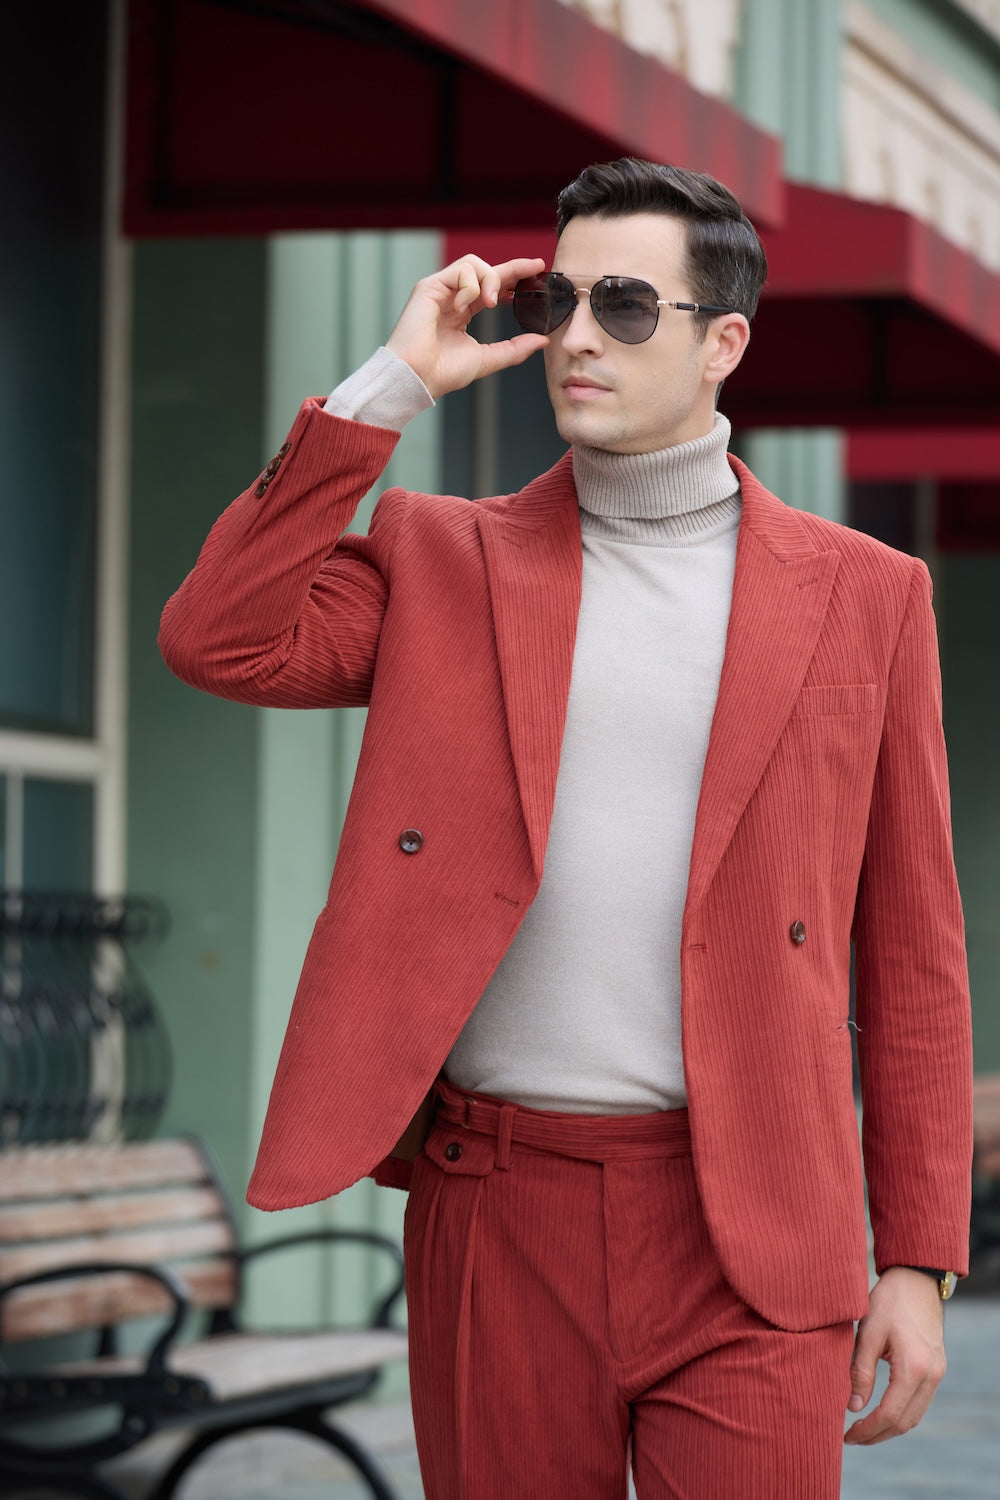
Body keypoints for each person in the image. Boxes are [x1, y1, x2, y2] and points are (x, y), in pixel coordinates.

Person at [159, 158, 973, 1499]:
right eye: (559, 299)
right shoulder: (444, 560)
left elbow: (918, 958)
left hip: (761, 1216)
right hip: (501, 1201)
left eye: (626, 305)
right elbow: (218, 637)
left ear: (724, 342)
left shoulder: (867, 594)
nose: (578, 335)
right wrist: (391, 386)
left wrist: (919, 1259)